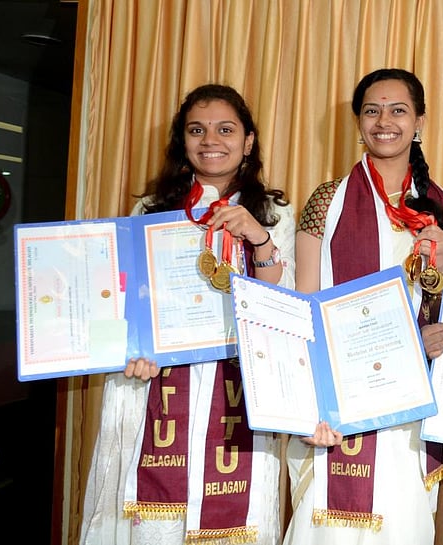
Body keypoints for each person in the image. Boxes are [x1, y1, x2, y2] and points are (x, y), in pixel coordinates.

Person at [80, 84, 295, 545]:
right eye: (197, 130)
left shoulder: (275, 214)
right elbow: (124, 301)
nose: (210, 141)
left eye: (225, 129)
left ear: (248, 141)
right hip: (157, 384)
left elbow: (284, 305)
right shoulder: (150, 211)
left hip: (235, 386)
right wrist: (133, 350)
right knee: (150, 524)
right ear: (182, 140)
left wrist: (257, 238)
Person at [284, 68, 443, 544]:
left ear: (420, 120)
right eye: (372, 110)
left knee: (401, 522)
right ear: (358, 121)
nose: (385, 121)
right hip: (336, 396)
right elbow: (302, 306)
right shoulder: (327, 200)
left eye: (399, 110)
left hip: (408, 401)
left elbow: (441, 309)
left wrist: (440, 259)